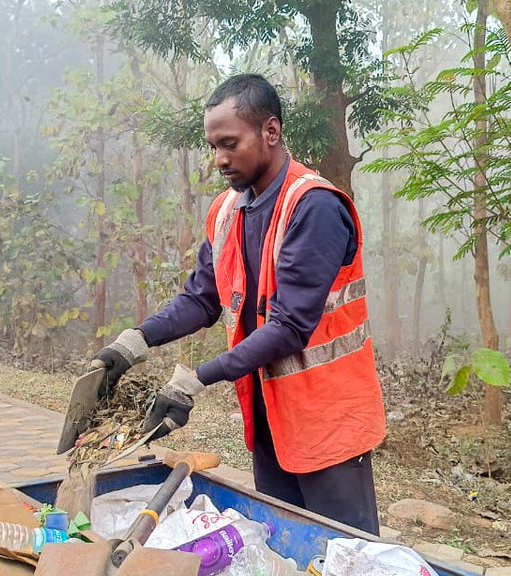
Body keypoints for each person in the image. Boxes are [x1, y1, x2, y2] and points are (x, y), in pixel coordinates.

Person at [80, 74, 385, 533]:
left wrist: (195, 380)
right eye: (213, 146)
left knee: (347, 558)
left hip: (328, 422)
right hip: (269, 420)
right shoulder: (228, 211)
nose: (219, 159)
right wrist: (134, 341)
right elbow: (201, 299)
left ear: (271, 132)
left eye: (230, 144)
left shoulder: (313, 206)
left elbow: (290, 327)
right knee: (283, 547)